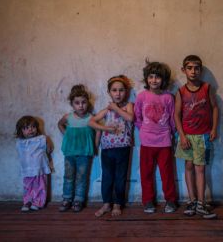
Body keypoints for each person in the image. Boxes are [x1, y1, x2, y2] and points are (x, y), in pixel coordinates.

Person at [174, 55, 219, 219]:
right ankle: (192, 201)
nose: (193, 71)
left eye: (196, 68)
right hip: (187, 137)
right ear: (183, 70)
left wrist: (214, 128)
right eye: (189, 68)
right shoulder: (180, 91)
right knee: (188, 167)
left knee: (200, 168)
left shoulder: (207, 88)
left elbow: (215, 108)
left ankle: (201, 202)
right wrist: (182, 136)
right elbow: (176, 115)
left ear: (201, 70)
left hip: (202, 136)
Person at [134, 60, 177, 214]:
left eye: (157, 77)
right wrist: (144, 130)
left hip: (164, 142)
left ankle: (170, 200)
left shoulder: (168, 98)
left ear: (163, 80)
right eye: (151, 77)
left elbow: (172, 119)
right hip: (146, 142)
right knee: (146, 173)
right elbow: (137, 117)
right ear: (146, 79)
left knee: (167, 173)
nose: (154, 80)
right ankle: (148, 201)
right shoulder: (141, 97)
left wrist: (173, 135)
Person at [89, 75, 134, 217]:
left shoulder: (128, 106)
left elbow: (130, 118)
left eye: (121, 90)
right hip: (107, 149)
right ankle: (106, 203)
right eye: (114, 90)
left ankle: (117, 204)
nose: (118, 93)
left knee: (120, 177)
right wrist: (105, 129)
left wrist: (115, 108)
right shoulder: (106, 110)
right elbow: (91, 122)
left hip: (123, 148)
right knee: (107, 177)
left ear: (126, 92)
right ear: (109, 92)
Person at [57, 84, 97, 212]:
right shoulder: (68, 117)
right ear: (72, 104)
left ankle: (78, 200)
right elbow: (60, 124)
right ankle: (67, 198)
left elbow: (99, 131)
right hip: (70, 153)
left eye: (83, 102)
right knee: (68, 176)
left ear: (88, 103)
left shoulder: (91, 118)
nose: (81, 105)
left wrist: (95, 146)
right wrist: (67, 135)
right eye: (77, 103)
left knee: (81, 176)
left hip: (84, 153)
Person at [15, 116, 51, 212]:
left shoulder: (41, 139)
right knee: (28, 187)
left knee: (40, 186)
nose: (30, 130)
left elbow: (49, 149)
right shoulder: (19, 142)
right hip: (27, 170)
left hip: (39, 169)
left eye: (33, 127)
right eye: (26, 128)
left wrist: (47, 144)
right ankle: (27, 202)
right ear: (20, 131)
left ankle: (38, 202)